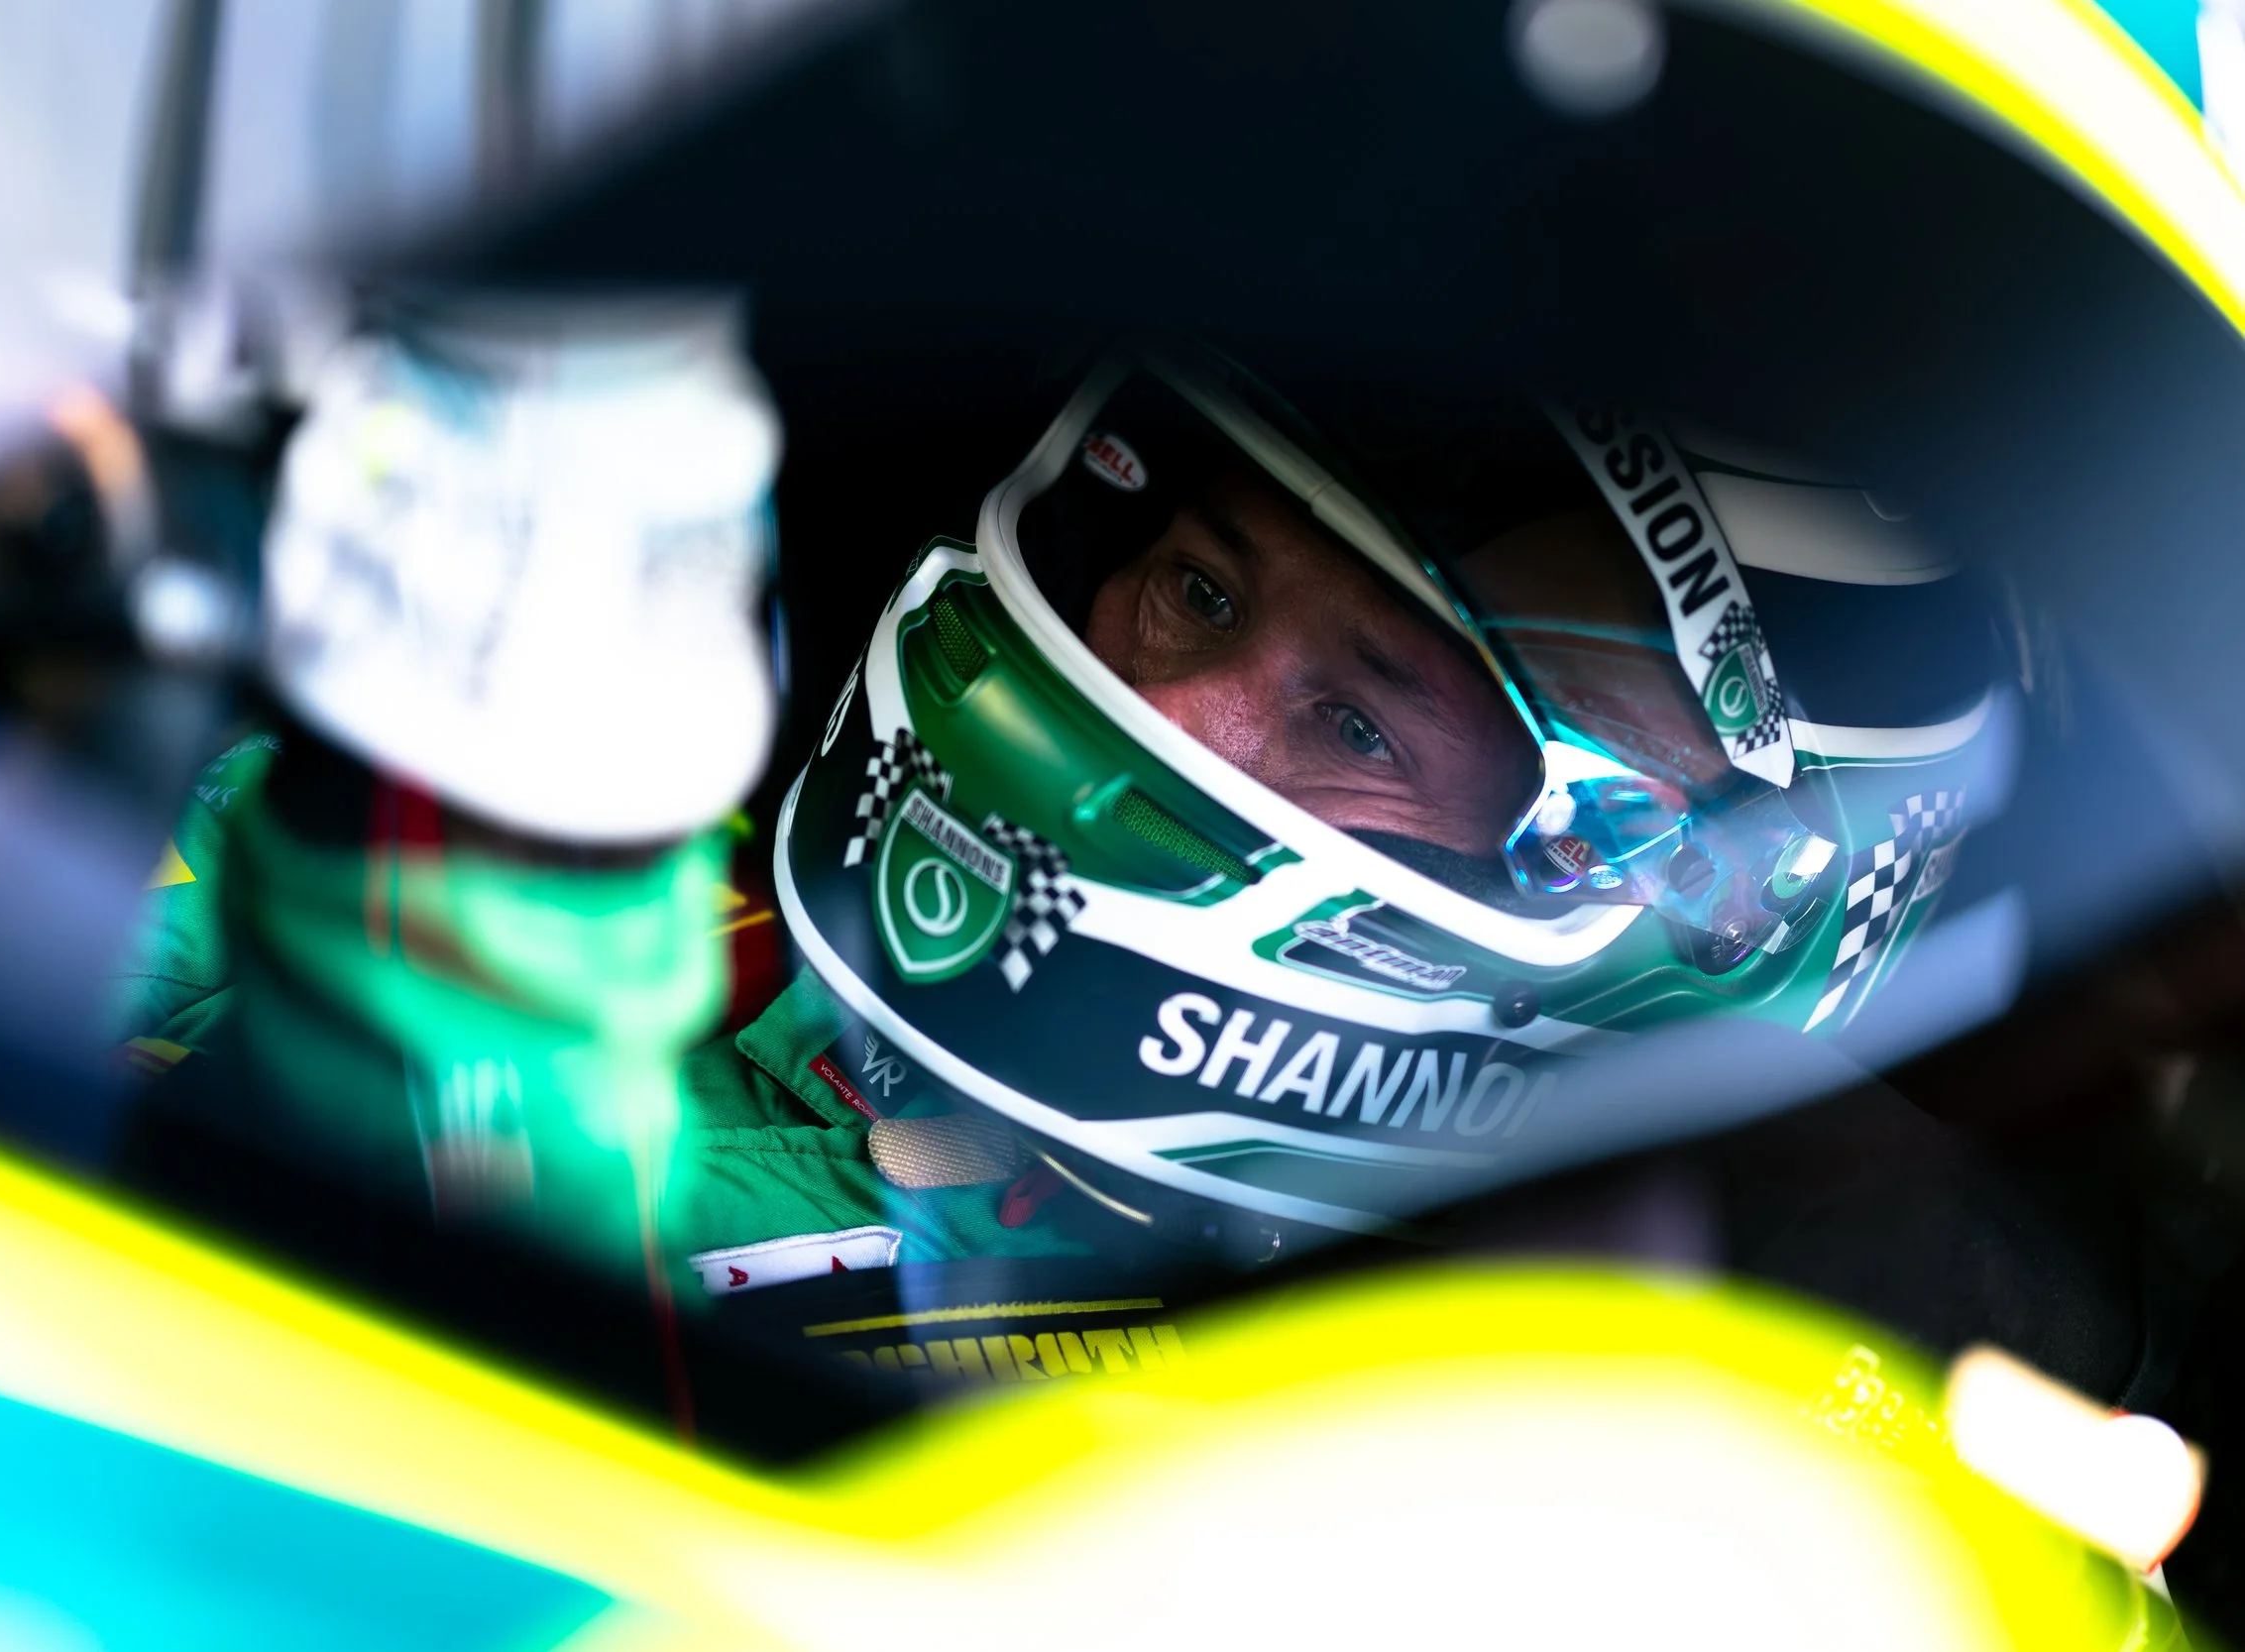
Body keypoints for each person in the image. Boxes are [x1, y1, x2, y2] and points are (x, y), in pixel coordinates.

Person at [114, 334, 2012, 1297]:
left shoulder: (1263, 1504)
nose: (1165, 704)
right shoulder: (587, 840)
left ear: (1641, 930)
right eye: (1197, 585)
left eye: (1352, 714)